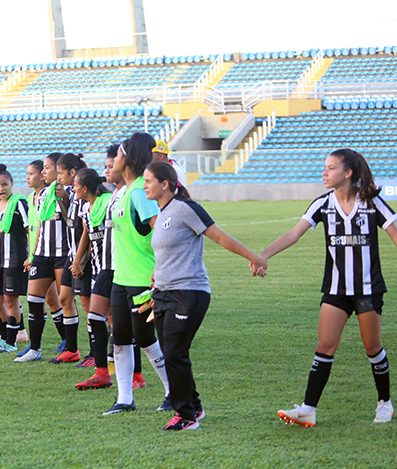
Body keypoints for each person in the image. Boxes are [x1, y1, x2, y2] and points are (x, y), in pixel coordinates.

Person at [260, 148, 396, 426]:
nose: (324, 172)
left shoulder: (372, 203)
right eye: (325, 167)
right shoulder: (322, 204)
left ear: (348, 173)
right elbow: (294, 233)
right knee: (324, 346)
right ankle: (308, 408)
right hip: (335, 290)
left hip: (368, 290)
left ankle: (385, 403)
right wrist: (262, 255)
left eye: (331, 168)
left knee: (372, 347)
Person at [143, 161, 266, 430]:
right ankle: (193, 406)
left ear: (165, 184)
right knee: (171, 352)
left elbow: (220, 237)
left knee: (175, 353)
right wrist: (157, 272)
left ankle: (185, 415)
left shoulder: (185, 208)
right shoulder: (162, 212)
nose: (144, 186)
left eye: (149, 181)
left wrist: (254, 257)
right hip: (163, 293)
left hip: (188, 292)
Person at [103, 133, 171, 415]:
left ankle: (172, 391)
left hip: (143, 279)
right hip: (122, 278)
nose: (112, 160)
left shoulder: (141, 190)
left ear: (128, 159)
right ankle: (124, 399)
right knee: (120, 338)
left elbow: (160, 227)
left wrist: (160, 267)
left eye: (117, 154)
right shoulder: (125, 190)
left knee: (145, 339)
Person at [17, 152, 72, 362]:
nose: (43, 172)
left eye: (46, 168)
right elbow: (40, 225)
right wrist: (33, 254)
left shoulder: (69, 192)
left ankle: (70, 345)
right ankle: (35, 349)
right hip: (41, 254)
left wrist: (64, 199)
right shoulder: (42, 195)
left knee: (64, 300)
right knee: (34, 299)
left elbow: (73, 223)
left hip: (62, 254)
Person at [72, 168, 114, 389]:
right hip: (98, 268)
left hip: (114, 268)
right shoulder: (85, 207)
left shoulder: (109, 203)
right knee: (101, 316)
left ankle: (117, 365)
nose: (73, 188)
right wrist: (79, 260)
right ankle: (107, 367)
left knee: (109, 318)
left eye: (76, 185)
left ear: (85, 188)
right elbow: (87, 234)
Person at [0, 168, 30, 354]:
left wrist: (30, 255)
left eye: (4, 185)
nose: (1, 189)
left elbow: (30, 230)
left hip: (14, 259)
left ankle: (11, 341)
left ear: (11, 184)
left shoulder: (18, 204)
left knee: (11, 300)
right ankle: (2, 336)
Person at [52, 153, 90, 364]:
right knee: (65, 298)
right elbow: (70, 222)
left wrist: (81, 261)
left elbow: (88, 230)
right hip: (71, 254)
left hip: (82, 257)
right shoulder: (72, 194)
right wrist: (64, 201)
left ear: (72, 172)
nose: (58, 178)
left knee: (88, 306)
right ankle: (72, 349)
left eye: (60, 173)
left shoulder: (84, 196)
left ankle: (96, 353)